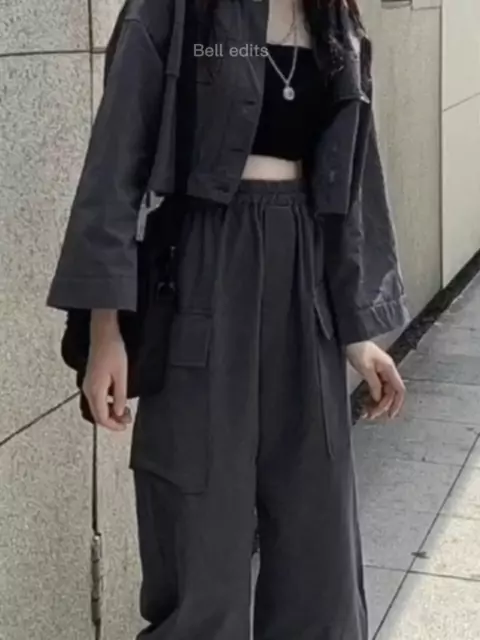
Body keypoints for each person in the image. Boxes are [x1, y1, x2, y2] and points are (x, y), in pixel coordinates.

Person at [47, 0, 409, 638]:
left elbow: (351, 182)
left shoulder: (335, 18)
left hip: (306, 290)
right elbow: (116, 161)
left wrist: (358, 336)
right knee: (202, 549)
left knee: (319, 557)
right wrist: (106, 330)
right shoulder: (178, 10)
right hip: (203, 277)